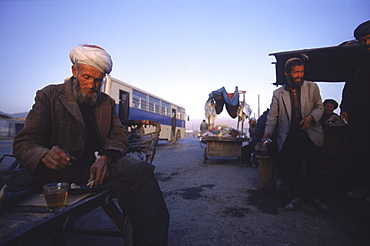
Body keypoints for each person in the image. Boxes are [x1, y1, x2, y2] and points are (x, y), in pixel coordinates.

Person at [12, 44, 169, 245]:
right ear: (74, 71)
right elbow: (24, 143)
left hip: (97, 169)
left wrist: (105, 158)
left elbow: (119, 134)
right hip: (60, 172)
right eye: (86, 77)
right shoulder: (49, 96)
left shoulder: (106, 103)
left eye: (98, 80)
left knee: (141, 171)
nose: (92, 85)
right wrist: (43, 154)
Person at [262, 57, 330, 212]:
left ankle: (315, 197)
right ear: (287, 73)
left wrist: (312, 117)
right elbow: (273, 116)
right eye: (296, 72)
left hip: (310, 132)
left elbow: (320, 107)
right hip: (290, 135)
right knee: (293, 167)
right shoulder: (278, 93)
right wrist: (267, 133)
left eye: (302, 72)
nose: (299, 75)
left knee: (314, 166)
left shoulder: (312, 87)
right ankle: (295, 198)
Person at [340, 20, 370, 203]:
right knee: (361, 150)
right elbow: (349, 88)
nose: (366, 44)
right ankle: (364, 187)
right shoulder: (358, 64)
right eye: (363, 41)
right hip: (361, 116)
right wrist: (344, 109)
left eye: (368, 39)